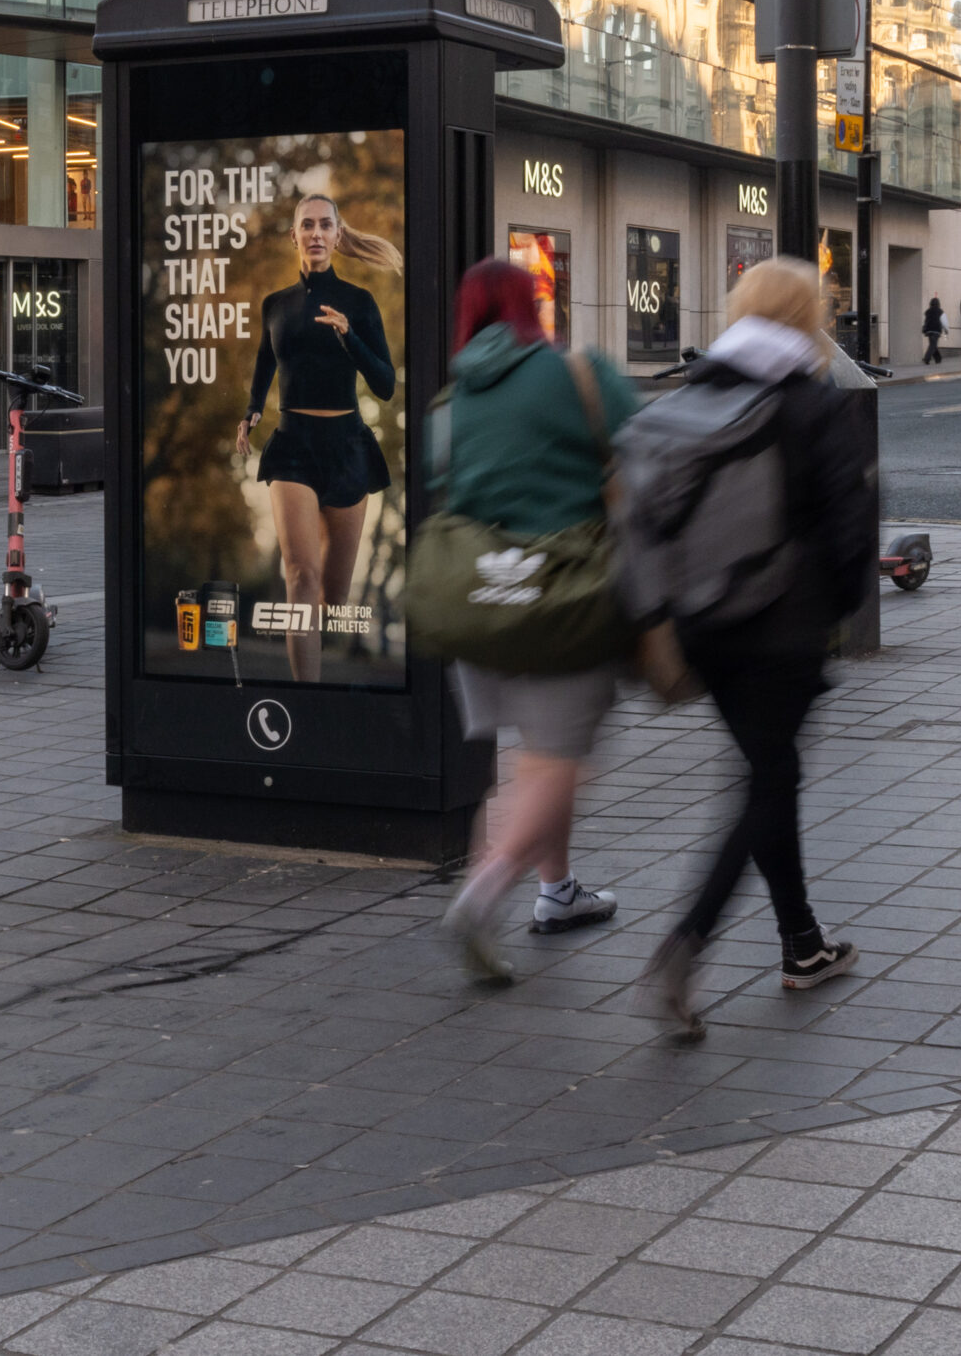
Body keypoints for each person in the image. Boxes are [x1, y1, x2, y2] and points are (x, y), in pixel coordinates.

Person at [634, 258, 872, 1035]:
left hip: (701, 627)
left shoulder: (696, 392)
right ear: (810, 319)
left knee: (771, 772)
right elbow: (850, 531)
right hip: (783, 630)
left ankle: (802, 944)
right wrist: (831, 615)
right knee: (765, 782)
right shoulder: (812, 401)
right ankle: (687, 942)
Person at [433, 258, 638, 980]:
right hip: (564, 598)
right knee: (559, 760)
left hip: (478, 602)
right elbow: (644, 447)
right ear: (531, 308)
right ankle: (482, 895)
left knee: (528, 758)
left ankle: (558, 892)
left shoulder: (451, 399)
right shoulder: (576, 372)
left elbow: (433, 485)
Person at [236, 192, 399, 682]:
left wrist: (349, 336)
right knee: (300, 577)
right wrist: (250, 411)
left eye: (324, 225)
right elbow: (267, 361)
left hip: (348, 447)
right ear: (294, 236)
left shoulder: (359, 303)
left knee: (334, 597)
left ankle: (320, 664)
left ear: (337, 233)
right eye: (306, 225)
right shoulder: (275, 305)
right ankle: (308, 699)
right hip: (293, 446)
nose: (314, 233)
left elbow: (386, 387)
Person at [920, 295, 947, 365]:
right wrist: (946, 329)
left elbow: (926, 321)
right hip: (936, 330)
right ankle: (927, 358)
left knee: (933, 344)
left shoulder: (928, 311)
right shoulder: (940, 311)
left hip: (929, 330)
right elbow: (944, 321)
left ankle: (938, 358)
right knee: (933, 345)